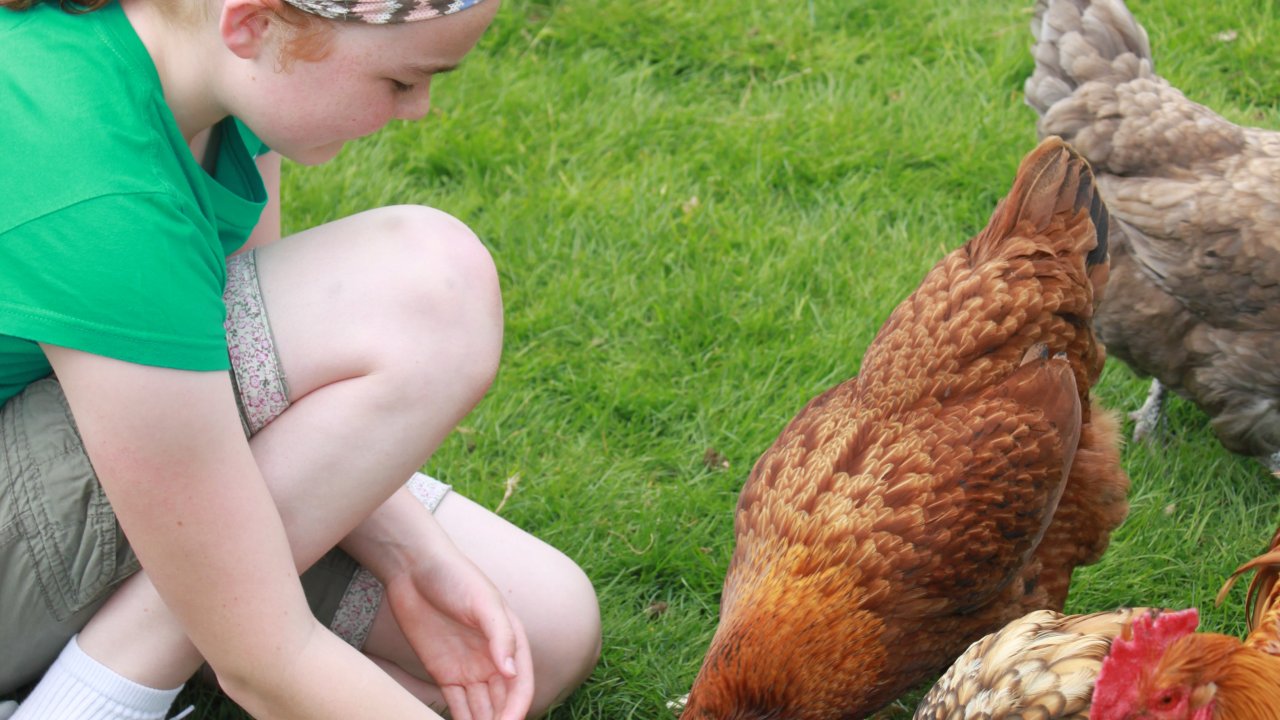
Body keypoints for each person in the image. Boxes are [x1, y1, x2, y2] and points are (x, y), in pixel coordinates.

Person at [0, 0, 602, 717]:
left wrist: (412, 554)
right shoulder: (94, 176)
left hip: (94, 459)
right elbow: (265, 659)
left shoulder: (218, 82)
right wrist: (250, 644)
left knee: (542, 630)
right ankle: (88, 698)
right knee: (428, 291)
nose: (420, 109)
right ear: (252, 25)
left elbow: (271, 395)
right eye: (401, 81)